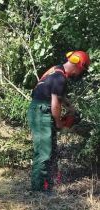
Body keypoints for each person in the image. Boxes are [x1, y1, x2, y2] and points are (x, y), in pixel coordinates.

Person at [27, 51, 90, 192]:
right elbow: (55, 103)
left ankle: (50, 183)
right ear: (78, 66)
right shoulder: (60, 78)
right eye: (81, 70)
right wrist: (59, 122)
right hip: (42, 111)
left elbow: (58, 96)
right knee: (44, 152)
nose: (80, 74)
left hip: (41, 109)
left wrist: (71, 109)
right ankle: (38, 191)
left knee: (51, 150)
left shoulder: (56, 70)